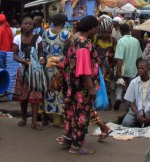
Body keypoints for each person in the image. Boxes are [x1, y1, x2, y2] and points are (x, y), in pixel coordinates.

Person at [59, 15, 100, 155]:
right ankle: (77, 146)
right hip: (82, 87)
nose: (97, 30)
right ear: (92, 27)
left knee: (72, 113)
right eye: (97, 27)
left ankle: (68, 139)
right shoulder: (83, 44)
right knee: (81, 115)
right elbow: (83, 70)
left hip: (72, 85)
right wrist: (91, 87)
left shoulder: (74, 39)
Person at [13, 17, 46, 131]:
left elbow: (40, 52)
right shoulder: (17, 38)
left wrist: (41, 58)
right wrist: (23, 61)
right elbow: (15, 55)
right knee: (23, 96)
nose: (28, 25)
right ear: (21, 25)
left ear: (33, 26)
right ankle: (24, 118)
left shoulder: (38, 38)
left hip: (35, 71)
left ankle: (34, 121)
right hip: (22, 70)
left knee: (35, 96)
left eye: (30, 24)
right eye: (25, 23)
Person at [42, 14, 70, 127]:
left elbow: (43, 50)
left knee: (50, 90)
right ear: (64, 22)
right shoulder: (67, 34)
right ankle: (60, 120)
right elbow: (69, 51)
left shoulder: (45, 33)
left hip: (48, 67)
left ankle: (51, 117)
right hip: (61, 67)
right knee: (61, 91)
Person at [122, 60, 150, 128]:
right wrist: (137, 113)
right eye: (139, 68)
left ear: (148, 69)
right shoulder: (133, 83)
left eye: (142, 68)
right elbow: (131, 102)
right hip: (135, 110)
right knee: (126, 123)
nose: (140, 70)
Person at [113, 23, 143, 111]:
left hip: (123, 68)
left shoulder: (121, 41)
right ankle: (128, 106)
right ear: (129, 31)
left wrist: (118, 71)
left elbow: (120, 58)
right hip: (133, 69)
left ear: (121, 32)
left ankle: (118, 97)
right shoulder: (136, 41)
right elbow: (139, 57)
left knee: (120, 84)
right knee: (131, 88)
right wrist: (139, 68)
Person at [92, 16, 117, 110]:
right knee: (96, 83)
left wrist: (111, 55)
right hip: (96, 65)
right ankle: (98, 102)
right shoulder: (96, 39)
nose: (105, 34)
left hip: (108, 66)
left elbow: (115, 53)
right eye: (103, 32)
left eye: (107, 32)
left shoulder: (113, 41)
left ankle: (108, 103)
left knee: (106, 84)